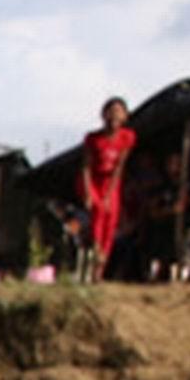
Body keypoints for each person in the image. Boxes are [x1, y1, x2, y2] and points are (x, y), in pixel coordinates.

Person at [77, 99, 135, 281]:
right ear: (104, 115)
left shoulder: (127, 137)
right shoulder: (93, 138)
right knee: (98, 216)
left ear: (125, 116)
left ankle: (100, 269)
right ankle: (96, 253)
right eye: (111, 111)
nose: (115, 116)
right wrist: (88, 192)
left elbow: (119, 167)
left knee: (110, 222)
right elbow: (86, 166)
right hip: (93, 181)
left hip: (111, 183)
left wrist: (110, 194)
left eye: (119, 111)